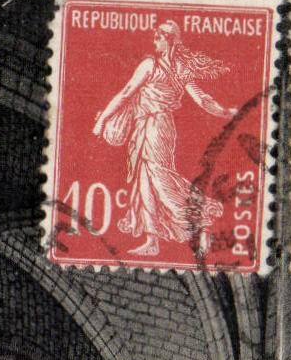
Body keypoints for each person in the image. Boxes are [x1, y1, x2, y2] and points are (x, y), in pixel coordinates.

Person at [93, 20, 237, 258]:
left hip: (154, 127)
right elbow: (203, 100)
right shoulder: (181, 69)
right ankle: (152, 239)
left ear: (168, 40)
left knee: (160, 180)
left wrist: (102, 120)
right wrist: (226, 112)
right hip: (155, 127)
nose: (154, 41)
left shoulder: (150, 65)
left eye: (158, 37)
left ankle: (198, 222)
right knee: (145, 181)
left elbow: (126, 92)